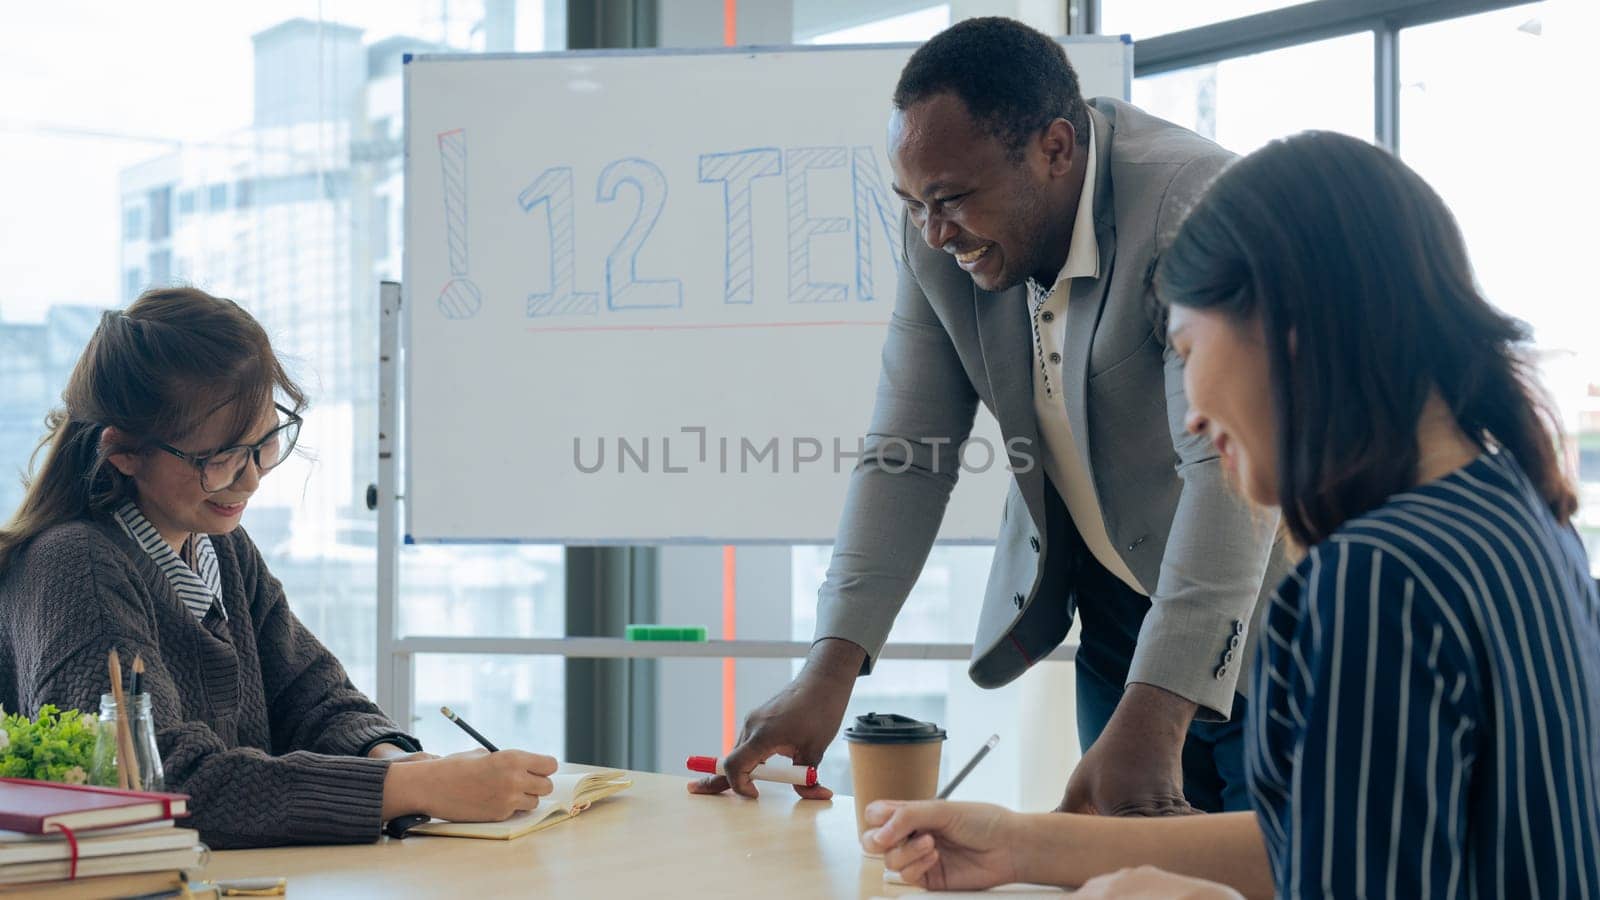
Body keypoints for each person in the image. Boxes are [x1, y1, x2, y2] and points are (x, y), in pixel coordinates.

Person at [859, 131, 1600, 898]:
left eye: (1185, 346)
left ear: (1286, 330)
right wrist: (1020, 846)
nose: (1192, 417)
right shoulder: (1517, 514)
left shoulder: (1378, 577)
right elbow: (1323, 840)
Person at [693, 16, 1283, 815]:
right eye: (912, 205)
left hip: (1275, 622)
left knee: (1283, 868)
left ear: (1055, 149)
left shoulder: (1192, 205)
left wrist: (1159, 708)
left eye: (952, 200)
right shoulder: (938, 240)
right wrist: (827, 672)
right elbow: (907, 451)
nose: (935, 233)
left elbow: (1228, 475)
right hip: (1117, 614)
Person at [0, 288, 557, 849]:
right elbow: (156, 785)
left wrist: (395, 759)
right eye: (218, 459)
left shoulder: (222, 547)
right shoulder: (73, 565)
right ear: (122, 451)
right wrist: (408, 786)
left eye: (264, 443)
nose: (250, 479)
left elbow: (314, 700)